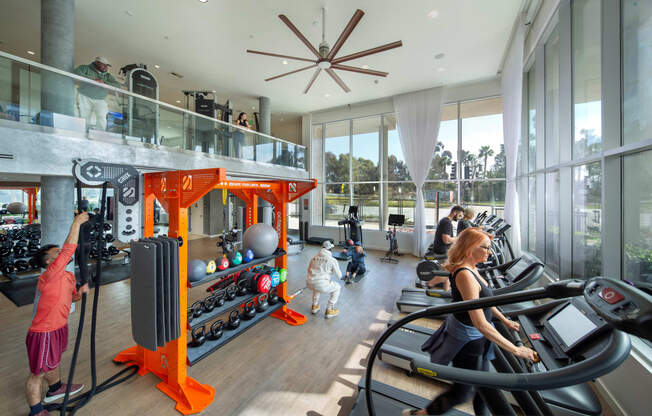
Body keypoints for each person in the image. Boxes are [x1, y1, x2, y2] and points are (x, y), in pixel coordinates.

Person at [405, 228, 536, 416]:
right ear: (471, 248)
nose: (489, 252)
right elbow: (480, 323)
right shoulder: (465, 274)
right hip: (469, 342)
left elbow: (485, 300)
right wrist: (516, 350)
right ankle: (419, 415)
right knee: (461, 393)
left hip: (478, 339)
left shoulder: (473, 268)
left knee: (485, 388)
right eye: (486, 248)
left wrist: (503, 320)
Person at [25, 212, 90, 416]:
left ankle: (55, 389)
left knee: (52, 361)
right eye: (56, 252)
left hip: (59, 327)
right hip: (43, 331)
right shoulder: (49, 275)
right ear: (48, 261)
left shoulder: (68, 276)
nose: (60, 252)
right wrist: (77, 222)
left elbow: (72, 299)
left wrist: (80, 293)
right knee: (37, 374)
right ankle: (36, 411)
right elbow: (70, 248)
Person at [74, 57, 121, 131]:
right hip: (85, 96)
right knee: (84, 116)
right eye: (103, 65)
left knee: (102, 116)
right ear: (97, 63)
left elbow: (117, 85)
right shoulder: (84, 68)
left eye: (107, 65)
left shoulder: (108, 76)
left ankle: (100, 134)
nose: (106, 67)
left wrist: (104, 82)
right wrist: (93, 80)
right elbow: (76, 74)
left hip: (100, 99)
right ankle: (83, 133)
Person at [306, 240, 342, 319]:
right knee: (337, 287)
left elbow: (309, 270)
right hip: (321, 284)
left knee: (317, 286)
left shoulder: (314, 258)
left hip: (310, 282)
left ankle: (314, 306)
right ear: (330, 249)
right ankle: (329, 310)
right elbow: (339, 276)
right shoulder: (332, 260)